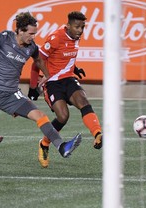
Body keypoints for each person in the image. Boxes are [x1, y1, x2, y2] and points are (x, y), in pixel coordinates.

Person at [0, 12, 82, 162]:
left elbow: (39, 61)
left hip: (11, 96)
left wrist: (47, 75)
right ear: (20, 30)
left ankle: (61, 146)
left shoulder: (31, 47)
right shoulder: (4, 38)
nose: (33, 37)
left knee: (39, 115)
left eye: (35, 34)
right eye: (31, 33)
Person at [28, 11, 103, 168]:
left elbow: (63, 56)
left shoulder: (75, 36)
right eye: (77, 27)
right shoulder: (55, 38)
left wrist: (74, 68)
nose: (80, 30)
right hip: (52, 82)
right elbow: (37, 61)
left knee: (83, 101)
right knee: (63, 117)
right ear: (68, 25)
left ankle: (97, 134)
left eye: (83, 27)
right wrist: (33, 86)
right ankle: (44, 143)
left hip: (68, 78)